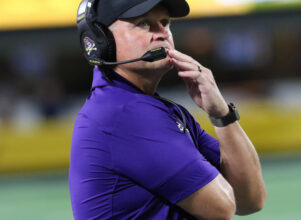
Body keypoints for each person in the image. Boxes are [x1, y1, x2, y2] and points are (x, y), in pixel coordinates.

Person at [69, 0, 267, 219]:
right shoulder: (123, 113)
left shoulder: (163, 110)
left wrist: (222, 114)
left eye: (165, 22)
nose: (162, 33)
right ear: (100, 41)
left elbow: (251, 199)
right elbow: (222, 209)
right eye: (143, 23)